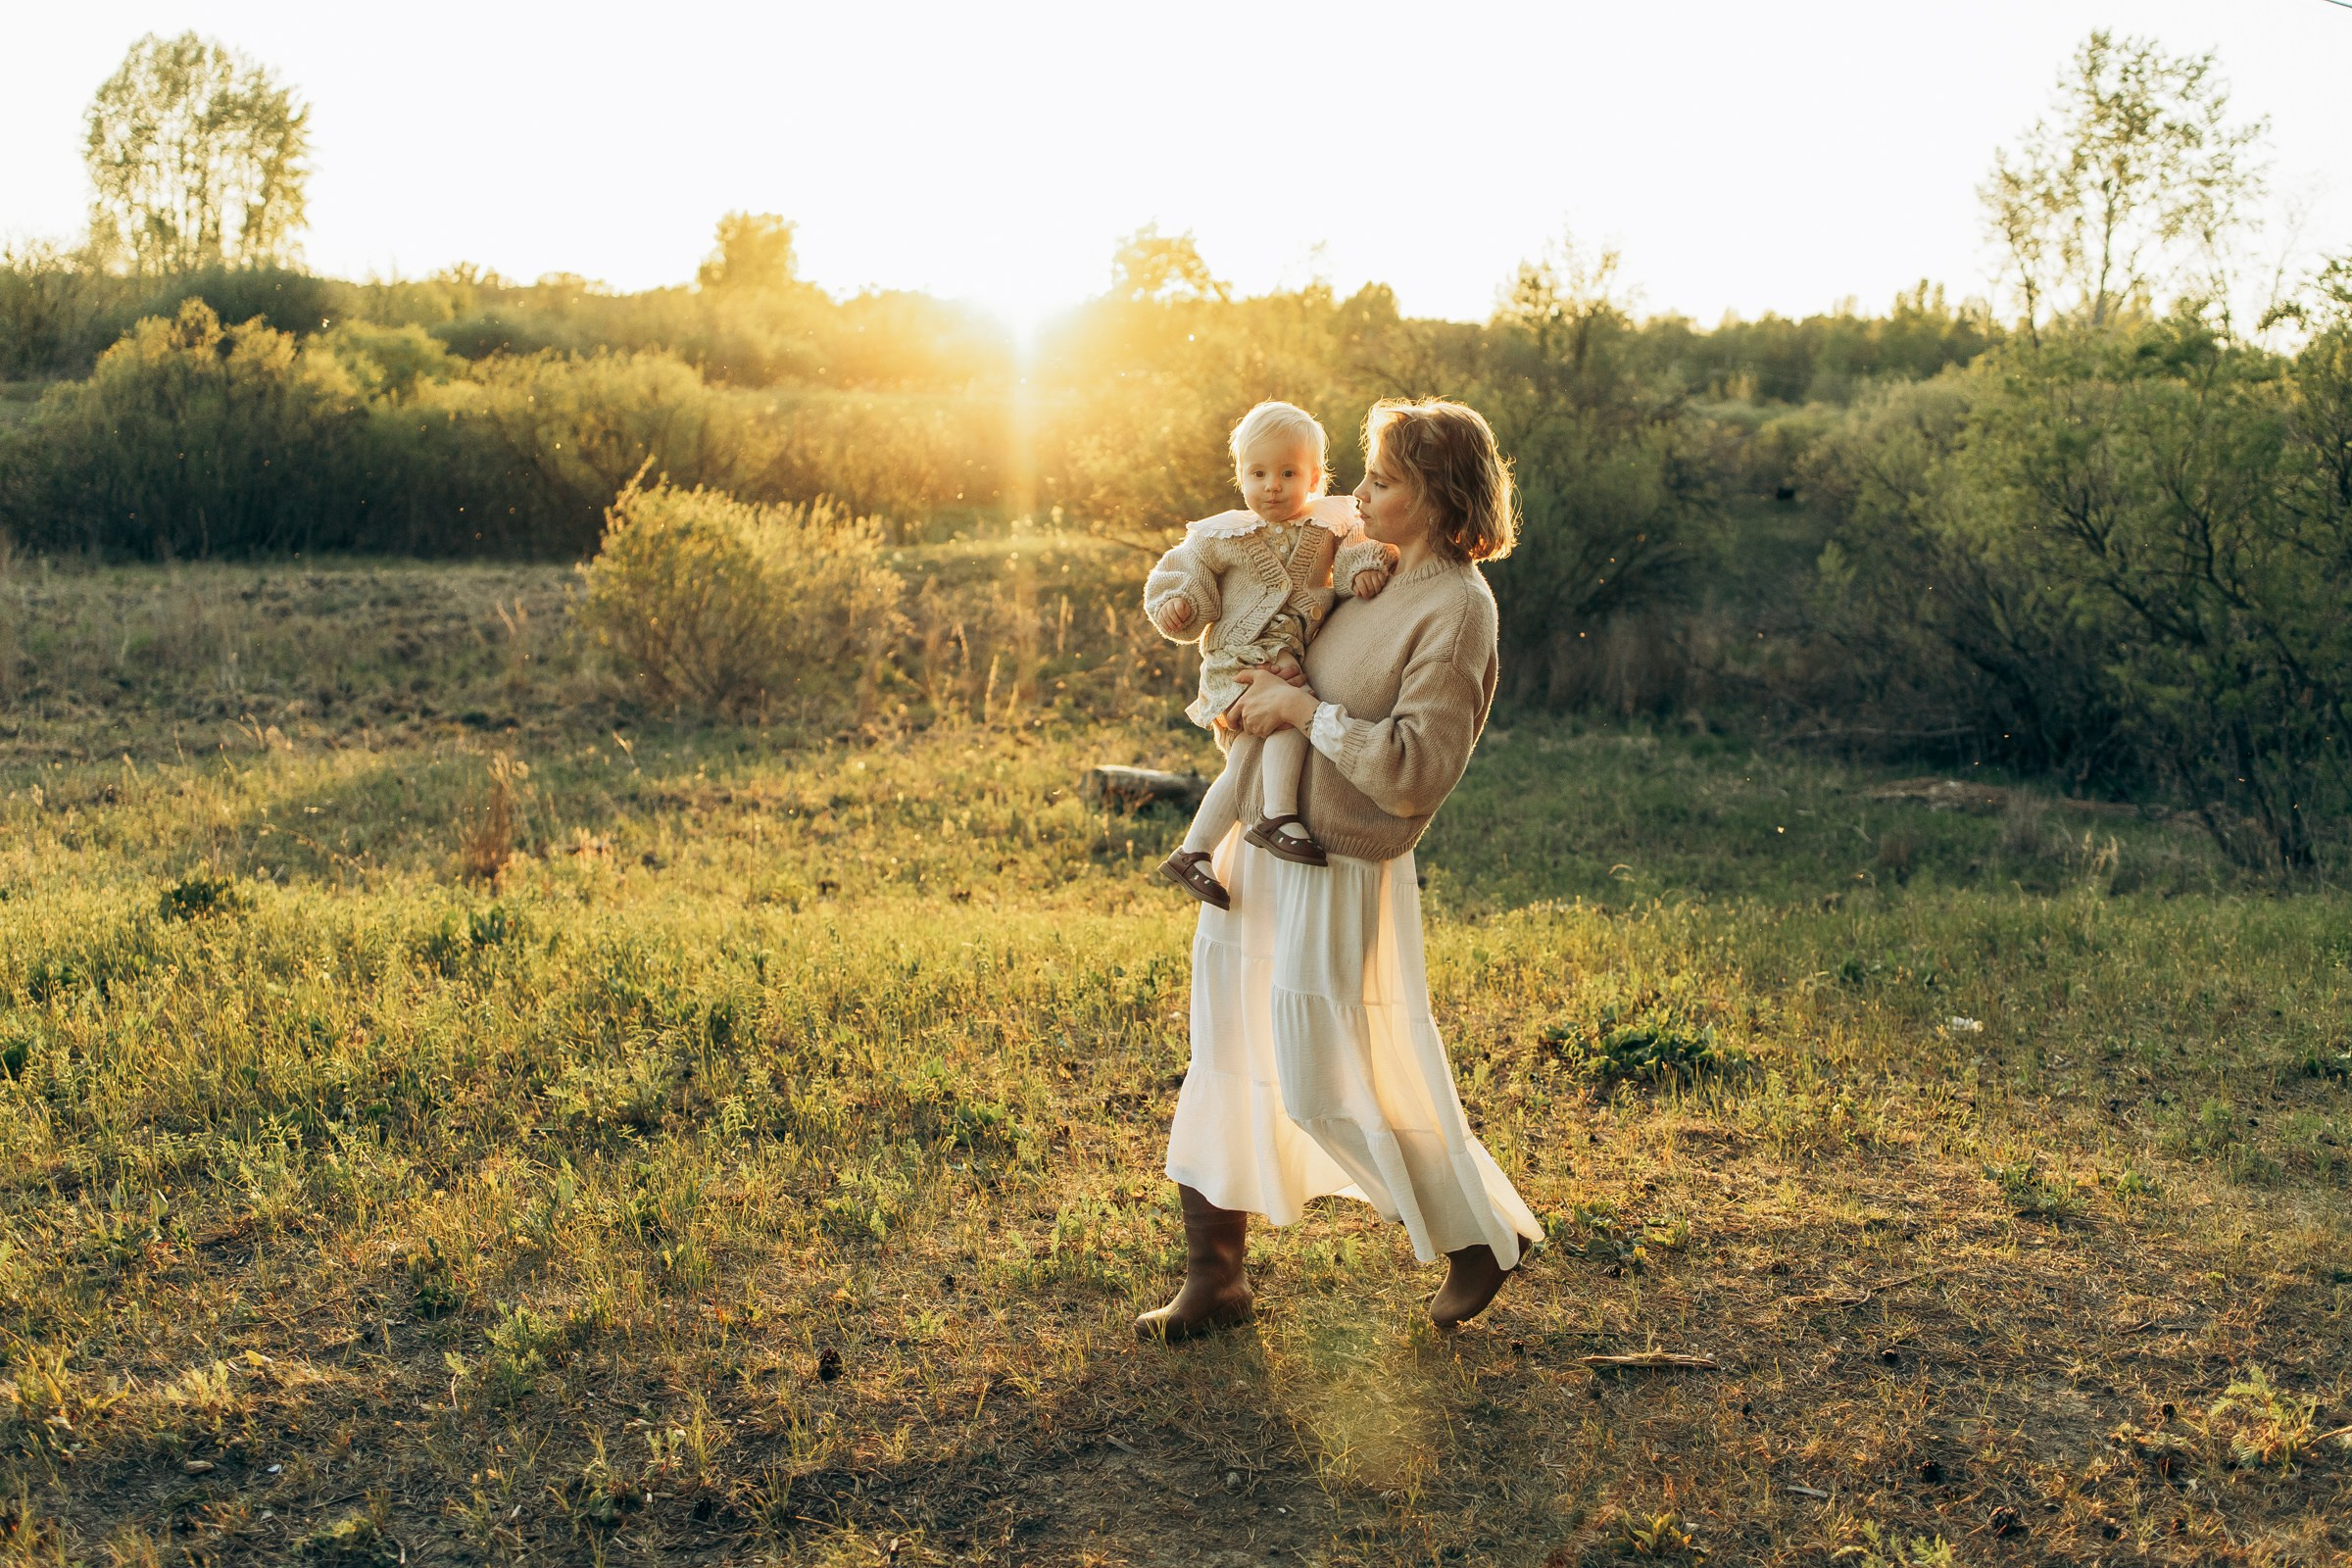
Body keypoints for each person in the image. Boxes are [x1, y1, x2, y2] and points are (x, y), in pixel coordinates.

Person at [1138, 398, 1541, 1341]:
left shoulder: (1456, 609)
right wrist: (1245, 694)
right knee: (1226, 1050)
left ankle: (1475, 1237)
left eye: (1387, 480)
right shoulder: (1371, 563)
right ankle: (1215, 1279)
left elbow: (1414, 771)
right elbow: (1255, 608)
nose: (1362, 493)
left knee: (1323, 1079)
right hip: (1259, 842)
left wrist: (1297, 714)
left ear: (1439, 498)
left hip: (1337, 864)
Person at [1143, 402, 1396, 909]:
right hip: (1234, 661)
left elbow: (1358, 547)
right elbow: (1183, 572)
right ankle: (1278, 815)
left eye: (1287, 473)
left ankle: (1194, 851)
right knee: (1284, 719)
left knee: (1245, 760)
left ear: (1315, 477)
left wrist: (1363, 567)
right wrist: (1180, 603)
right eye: (1257, 474)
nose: (1272, 486)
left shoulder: (1329, 523)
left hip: (1282, 659)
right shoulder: (1221, 534)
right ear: (1240, 476)